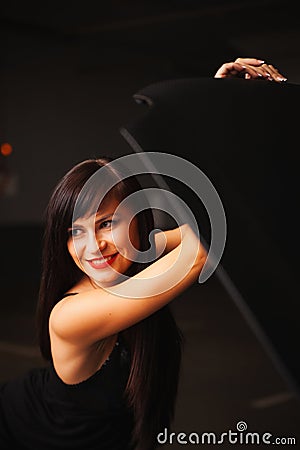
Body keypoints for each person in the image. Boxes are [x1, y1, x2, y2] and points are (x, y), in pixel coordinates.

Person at [0, 57, 287, 450]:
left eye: (106, 223)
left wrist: (227, 105)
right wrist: (227, 111)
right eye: (75, 231)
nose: (92, 246)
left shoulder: (138, 253)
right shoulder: (70, 317)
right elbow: (206, 244)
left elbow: (208, 221)